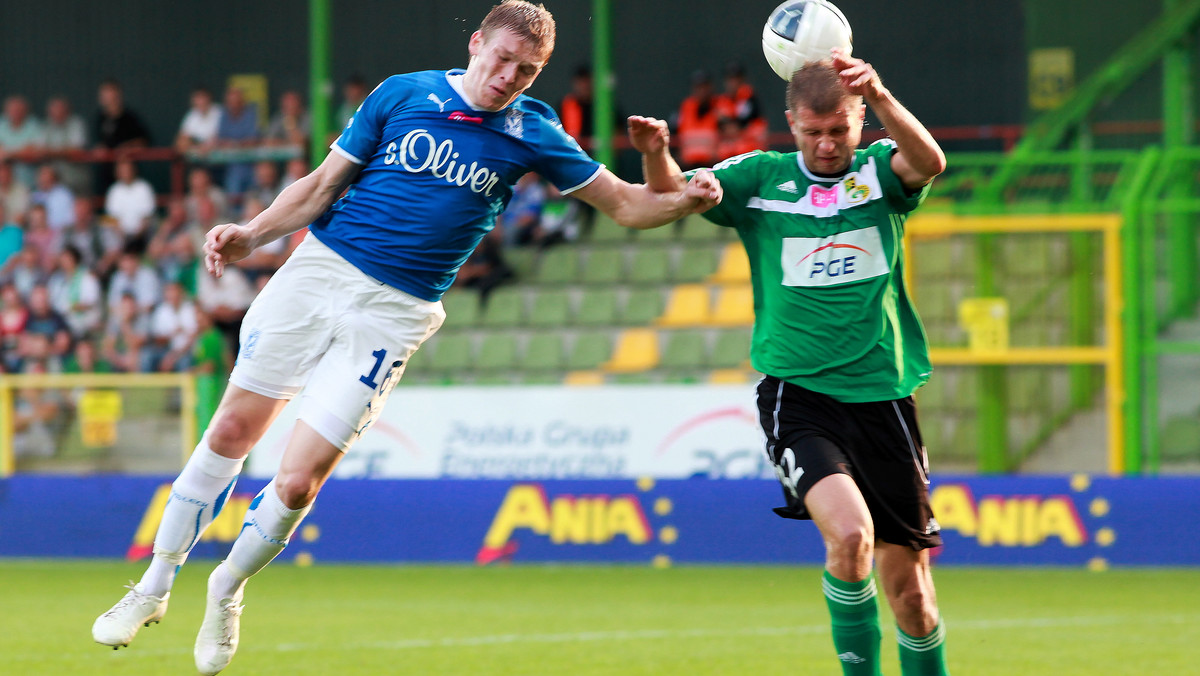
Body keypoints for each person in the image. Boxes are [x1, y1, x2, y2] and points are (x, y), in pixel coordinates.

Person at [90, 3, 721, 674]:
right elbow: (321, 186)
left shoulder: (532, 130)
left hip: (395, 314)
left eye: (528, 70)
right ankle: (154, 585)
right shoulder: (404, 92)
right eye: (502, 59)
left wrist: (675, 180)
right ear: (476, 43)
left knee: (299, 482)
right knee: (228, 435)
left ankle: (227, 587)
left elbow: (630, 206)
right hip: (319, 273)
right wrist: (253, 233)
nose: (509, 77)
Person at [629, 50, 949, 676]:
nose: (827, 145)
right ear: (791, 124)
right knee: (850, 538)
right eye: (813, 132)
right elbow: (674, 193)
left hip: (884, 395)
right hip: (799, 396)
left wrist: (881, 93)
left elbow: (930, 162)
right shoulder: (760, 177)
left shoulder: (880, 170)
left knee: (912, 598)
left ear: (860, 121)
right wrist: (654, 154)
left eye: (840, 130)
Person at [175, 86, 223, 154]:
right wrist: (197, 147)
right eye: (197, 98)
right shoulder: (191, 115)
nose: (201, 101)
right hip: (199, 158)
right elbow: (180, 142)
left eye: (203, 97)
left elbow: (221, 137)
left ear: (209, 98)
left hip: (220, 156)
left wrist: (207, 146)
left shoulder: (219, 112)